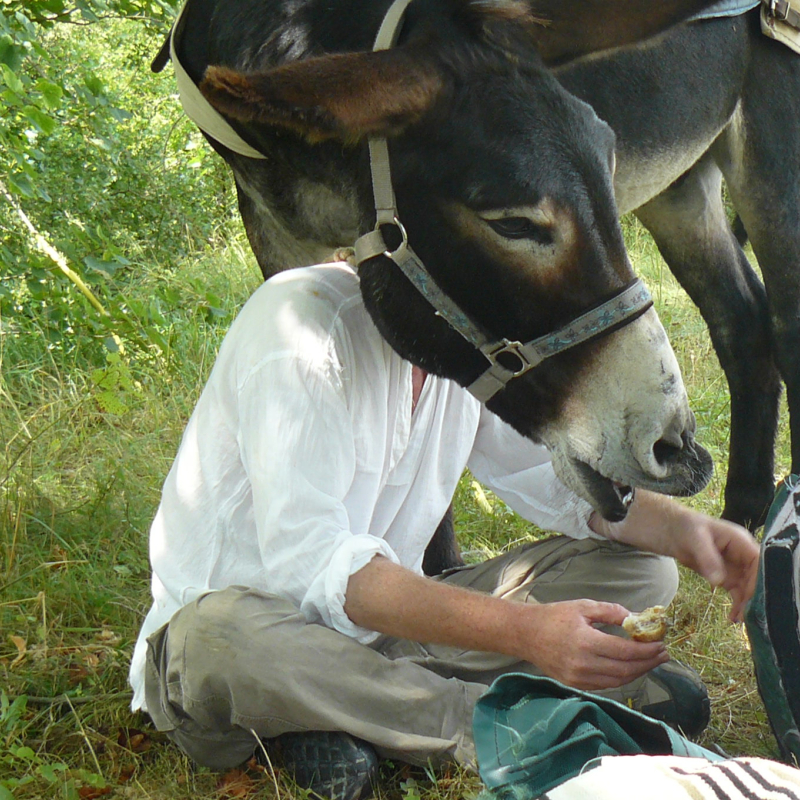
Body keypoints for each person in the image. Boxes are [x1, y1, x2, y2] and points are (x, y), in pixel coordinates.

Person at [128, 257, 759, 800]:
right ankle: (501, 725)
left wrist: (686, 532)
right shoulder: (300, 330)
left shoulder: (468, 344)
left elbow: (554, 477)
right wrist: (527, 632)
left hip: (382, 639)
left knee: (642, 568)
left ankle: (348, 722)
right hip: (238, 651)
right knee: (218, 635)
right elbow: (315, 566)